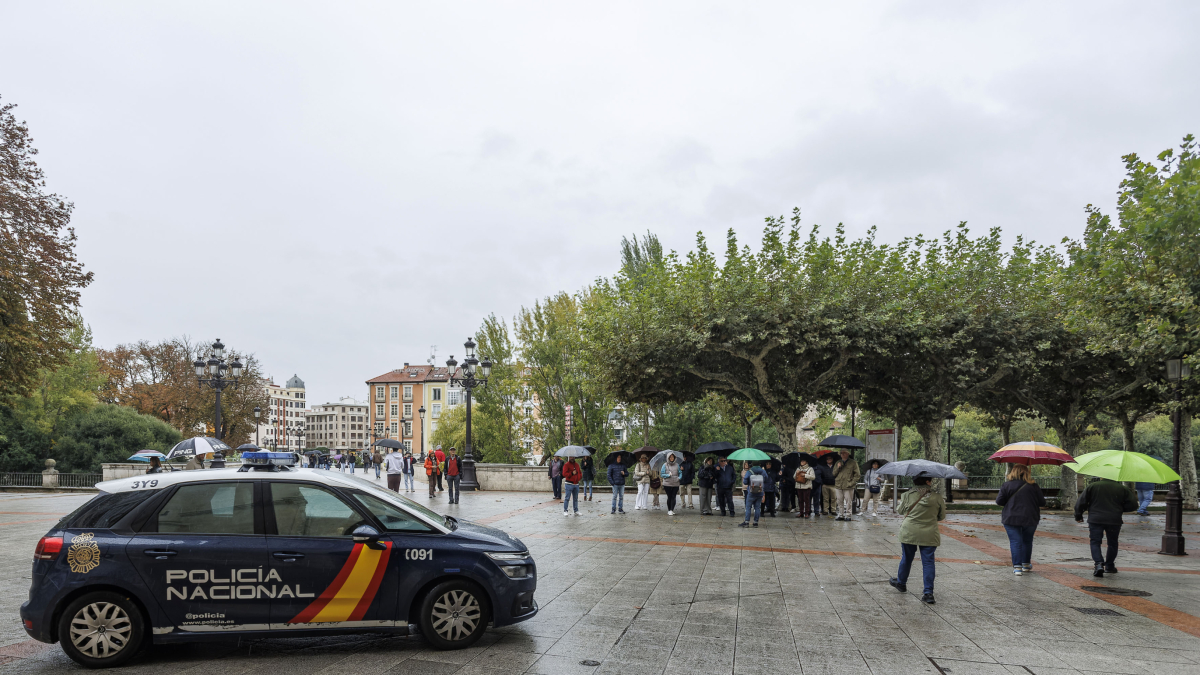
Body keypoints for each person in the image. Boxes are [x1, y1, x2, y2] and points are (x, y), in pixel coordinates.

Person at [889, 474, 946, 604]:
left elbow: (900, 510)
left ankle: (901, 583)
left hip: (909, 531)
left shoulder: (908, 495)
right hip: (930, 533)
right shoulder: (937, 497)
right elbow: (941, 516)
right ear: (927, 481)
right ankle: (928, 593)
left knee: (907, 558)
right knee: (928, 562)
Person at [1075, 476, 1138, 577]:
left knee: (1095, 541)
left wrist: (1078, 515)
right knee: (1112, 543)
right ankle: (1109, 565)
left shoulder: (1093, 486)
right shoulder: (1122, 488)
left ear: (1102, 476)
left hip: (1095, 519)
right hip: (1114, 519)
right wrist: (1120, 509)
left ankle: (1098, 564)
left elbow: (1081, 502)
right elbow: (1133, 505)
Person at [995, 464, 1046, 576]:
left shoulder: (1006, 485)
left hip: (1011, 517)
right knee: (1027, 541)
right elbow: (1042, 502)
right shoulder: (1034, 486)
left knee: (1015, 541)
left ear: (1013, 472)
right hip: (1030, 517)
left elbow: (999, 502)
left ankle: (1017, 567)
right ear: (1026, 473)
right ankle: (1026, 564)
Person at [832, 449, 861, 521]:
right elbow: (833, 474)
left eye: (844, 453)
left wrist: (851, 483)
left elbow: (857, 475)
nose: (842, 454)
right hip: (839, 485)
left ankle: (848, 515)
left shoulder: (853, 463)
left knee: (848, 501)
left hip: (848, 486)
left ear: (847, 454)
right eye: (841, 453)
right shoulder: (838, 462)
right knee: (839, 501)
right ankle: (841, 515)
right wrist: (838, 467)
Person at [740, 461, 765, 527]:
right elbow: (766, 478)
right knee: (757, 507)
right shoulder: (762, 471)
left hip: (751, 492)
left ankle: (746, 522)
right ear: (759, 464)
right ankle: (755, 522)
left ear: (752, 464)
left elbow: (745, 482)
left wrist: (750, 483)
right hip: (760, 491)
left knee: (748, 507)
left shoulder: (749, 471)